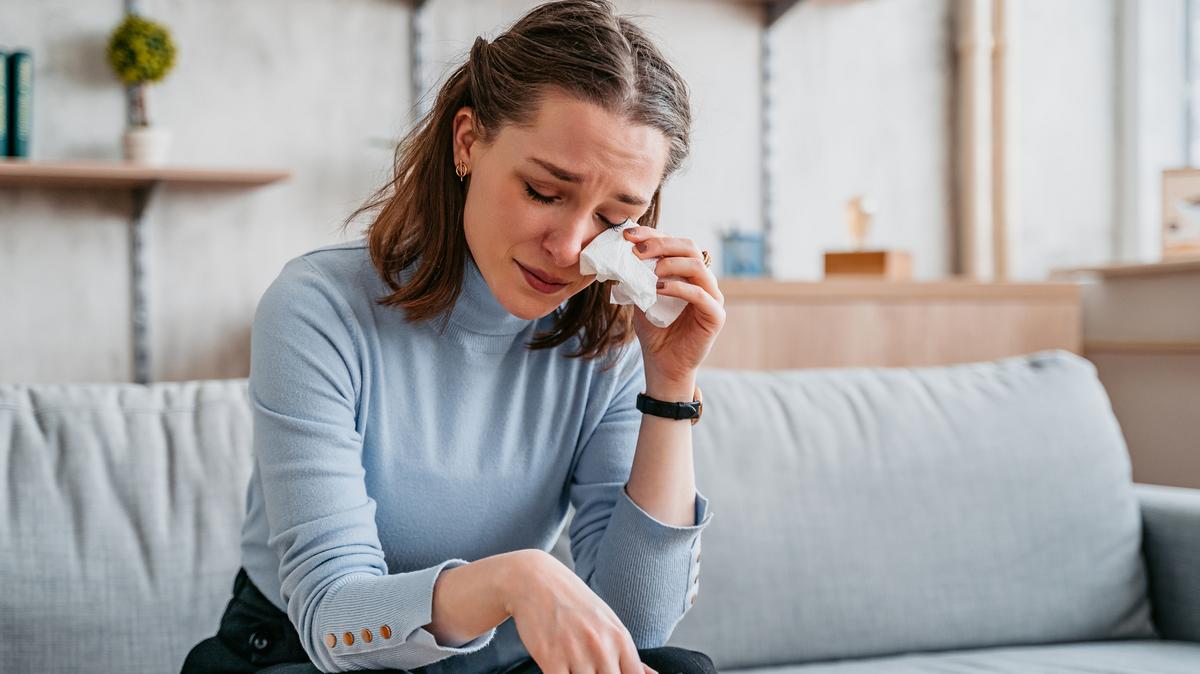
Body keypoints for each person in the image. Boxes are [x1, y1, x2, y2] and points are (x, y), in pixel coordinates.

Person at [182, 1, 724, 672]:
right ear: (467, 142)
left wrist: (671, 387)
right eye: (542, 190)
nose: (569, 248)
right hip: (308, 654)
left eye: (613, 217)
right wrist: (515, 579)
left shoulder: (604, 345)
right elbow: (331, 617)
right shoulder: (318, 308)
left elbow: (637, 626)